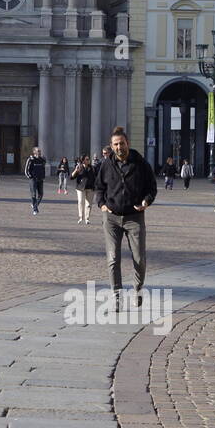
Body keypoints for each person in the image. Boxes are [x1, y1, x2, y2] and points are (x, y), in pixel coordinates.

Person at [94, 126, 156, 309]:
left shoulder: (141, 164)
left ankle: (137, 288)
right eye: (115, 144)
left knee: (139, 258)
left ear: (127, 143)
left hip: (134, 217)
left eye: (121, 143)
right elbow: (99, 187)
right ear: (111, 146)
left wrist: (146, 201)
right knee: (113, 258)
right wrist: (102, 204)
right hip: (111, 217)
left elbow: (151, 188)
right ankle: (117, 295)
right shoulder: (106, 164)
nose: (119, 147)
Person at [72, 154, 97, 224]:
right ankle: (80, 217)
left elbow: (96, 177)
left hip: (90, 188)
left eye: (89, 159)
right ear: (83, 161)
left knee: (89, 204)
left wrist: (96, 186)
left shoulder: (92, 168)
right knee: (80, 201)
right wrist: (76, 171)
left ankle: (87, 218)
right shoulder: (79, 167)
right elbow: (72, 177)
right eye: (87, 159)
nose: (88, 160)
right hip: (80, 188)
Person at [24, 146, 47, 215]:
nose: (39, 152)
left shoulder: (42, 159)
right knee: (34, 194)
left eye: (40, 151)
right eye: (38, 151)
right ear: (34, 152)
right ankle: (35, 209)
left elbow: (43, 168)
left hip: (40, 179)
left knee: (41, 194)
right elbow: (26, 170)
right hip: (33, 179)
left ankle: (34, 205)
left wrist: (43, 176)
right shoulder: (31, 159)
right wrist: (30, 176)